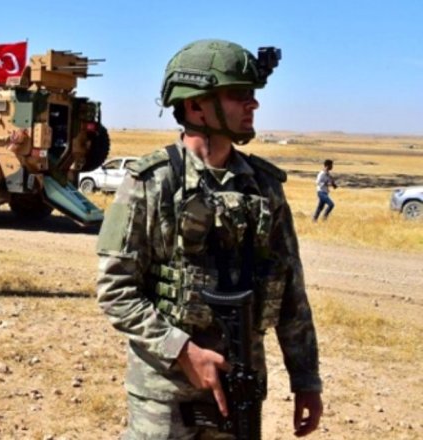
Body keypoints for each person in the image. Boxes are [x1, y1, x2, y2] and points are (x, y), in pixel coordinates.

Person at [95, 40, 322, 439]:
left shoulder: (264, 186)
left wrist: (306, 380)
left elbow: (291, 292)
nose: (253, 104)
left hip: (240, 386)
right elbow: (116, 290)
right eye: (238, 94)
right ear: (196, 105)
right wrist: (183, 351)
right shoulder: (151, 183)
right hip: (164, 394)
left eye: (252, 94)